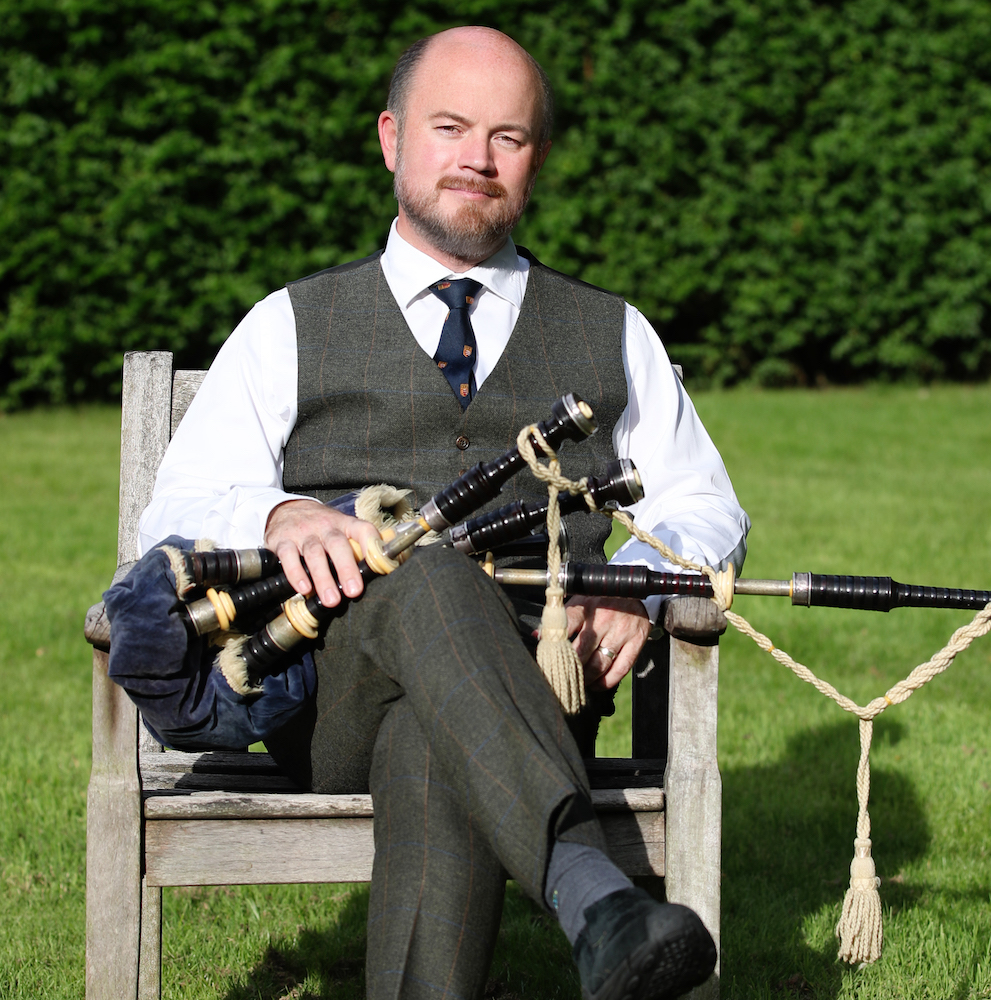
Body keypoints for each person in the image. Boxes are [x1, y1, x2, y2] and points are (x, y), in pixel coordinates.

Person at [139, 25, 749, 1000]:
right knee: (419, 553)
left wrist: (647, 580)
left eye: (506, 136)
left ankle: (595, 907)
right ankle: (589, 887)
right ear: (391, 140)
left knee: (430, 737)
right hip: (329, 699)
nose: (477, 156)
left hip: (546, 686)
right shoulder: (287, 327)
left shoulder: (611, 331)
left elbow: (702, 502)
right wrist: (282, 513)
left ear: (534, 160)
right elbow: (171, 514)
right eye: (449, 126)